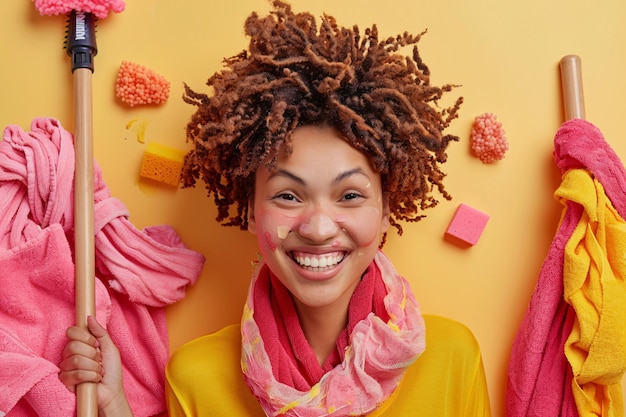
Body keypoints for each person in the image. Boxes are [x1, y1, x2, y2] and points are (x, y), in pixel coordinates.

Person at [58, 1, 492, 416]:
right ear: (250, 211)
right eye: (288, 195)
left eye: (350, 195)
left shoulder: (452, 359)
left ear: (386, 213)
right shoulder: (196, 378)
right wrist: (114, 407)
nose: (320, 227)